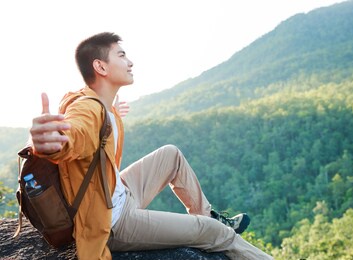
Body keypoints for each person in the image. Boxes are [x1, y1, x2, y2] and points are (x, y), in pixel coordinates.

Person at [30, 32, 273, 260]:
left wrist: (113, 113)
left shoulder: (101, 104)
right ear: (100, 66)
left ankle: (207, 213)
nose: (130, 62)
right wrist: (50, 143)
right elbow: (76, 134)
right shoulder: (87, 108)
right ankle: (221, 231)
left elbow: (92, 136)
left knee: (171, 155)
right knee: (216, 234)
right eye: (122, 55)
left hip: (117, 193)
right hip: (113, 220)